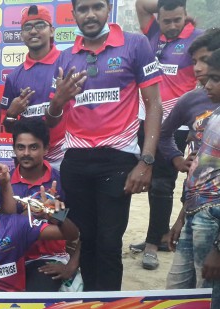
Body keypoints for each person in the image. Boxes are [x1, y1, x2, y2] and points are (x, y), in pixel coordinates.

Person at [47, 0, 163, 291]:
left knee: (109, 244)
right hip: (76, 160)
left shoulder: (134, 45)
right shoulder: (65, 58)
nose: (90, 14)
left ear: (107, 9)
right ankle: (90, 307)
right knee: (86, 240)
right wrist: (57, 102)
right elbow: (52, 119)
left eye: (97, 6)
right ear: (73, 13)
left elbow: (154, 105)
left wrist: (146, 160)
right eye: (83, 9)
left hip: (117, 160)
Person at [132, 0, 203, 270]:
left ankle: (153, 244)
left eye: (178, 19)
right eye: (167, 20)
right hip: (146, 119)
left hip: (177, 126)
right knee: (149, 182)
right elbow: (141, 5)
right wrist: (166, 5)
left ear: (186, 16)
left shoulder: (198, 38)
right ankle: (158, 234)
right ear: (158, 19)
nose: (172, 26)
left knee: (163, 184)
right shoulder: (152, 32)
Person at [165, 50, 220, 309]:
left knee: (210, 301)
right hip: (196, 213)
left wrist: (218, 248)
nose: (207, 85)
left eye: (215, 79)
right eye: (206, 78)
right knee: (177, 293)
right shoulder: (212, 117)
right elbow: (200, 174)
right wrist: (181, 217)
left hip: (214, 220)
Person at [7, 119, 80, 292]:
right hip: (10, 260)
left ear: (46, 148)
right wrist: (32, 212)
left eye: (33, 147)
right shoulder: (4, 183)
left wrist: (71, 267)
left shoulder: (62, 181)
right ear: (14, 149)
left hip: (48, 259)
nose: (26, 153)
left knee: (34, 298)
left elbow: (81, 230)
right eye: (21, 147)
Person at [1, 5, 67, 170]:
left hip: (66, 155)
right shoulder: (14, 76)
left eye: (40, 25)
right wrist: (11, 114)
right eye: (27, 27)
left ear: (51, 31)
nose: (33, 31)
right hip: (30, 160)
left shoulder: (68, 63)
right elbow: (7, 125)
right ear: (22, 35)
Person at [158, 29, 220, 177]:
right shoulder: (190, 100)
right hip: (198, 187)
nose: (197, 68)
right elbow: (163, 134)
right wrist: (177, 159)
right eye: (194, 62)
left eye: (204, 59)